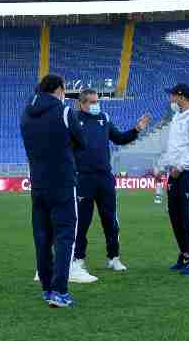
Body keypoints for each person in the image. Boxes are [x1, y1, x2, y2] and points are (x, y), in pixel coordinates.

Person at [69, 88, 151, 280]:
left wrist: (136, 129)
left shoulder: (104, 118)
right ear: (81, 103)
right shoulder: (72, 120)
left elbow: (120, 138)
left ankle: (113, 257)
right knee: (82, 221)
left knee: (110, 219)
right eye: (91, 102)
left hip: (105, 177)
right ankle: (79, 258)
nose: (95, 105)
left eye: (97, 101)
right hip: (83, 178)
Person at [20, 73, 87, 308]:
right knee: (65, 235)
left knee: (42, 237)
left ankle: (47, 289)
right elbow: (81, 141)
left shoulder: (25, 113)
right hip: (62, 183)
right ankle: (60, 290)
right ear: (59, 89)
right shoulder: (65, 111)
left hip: (37, 183)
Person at [157, 83, 189, 276]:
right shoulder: (178, 116)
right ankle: (185, 254)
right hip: (175, 171)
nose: (170, 99)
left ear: (181, 96)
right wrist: (162, 167)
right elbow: (174, 148)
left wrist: (180, 167)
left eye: (172, 95)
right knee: (175, 214)